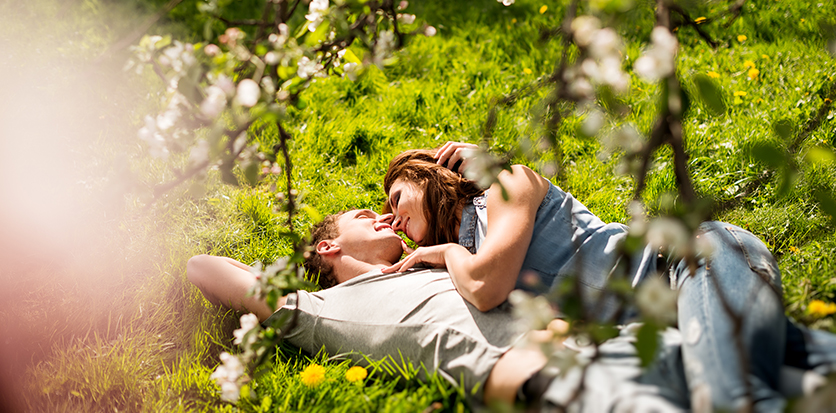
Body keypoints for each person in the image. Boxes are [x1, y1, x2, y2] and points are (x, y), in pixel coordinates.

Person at [381, 142, 836, 412]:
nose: (391, 219)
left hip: (696, 262)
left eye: (394, 198)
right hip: (674, 320)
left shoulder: (506, 185)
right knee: (798, 365)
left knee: (732, 399)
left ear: (424, 176)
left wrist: (447, 250)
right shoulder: (469, 254)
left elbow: (487, 286)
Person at [188, 209, 700, 410]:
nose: (382, 214)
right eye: (364, 216)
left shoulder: (438, 267)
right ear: (328, 249)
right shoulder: (320, 308)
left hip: (621, 346)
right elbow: (202, 267)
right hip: (562, 385)